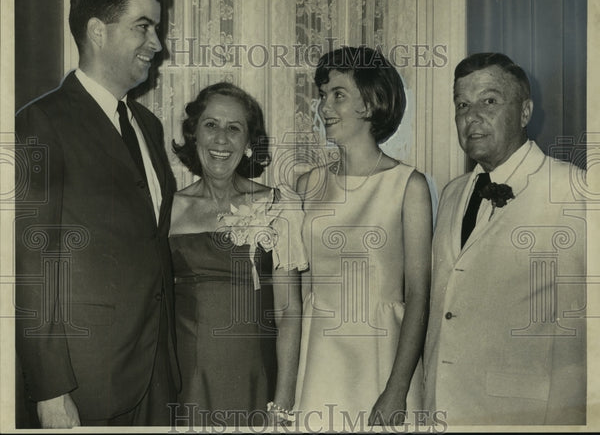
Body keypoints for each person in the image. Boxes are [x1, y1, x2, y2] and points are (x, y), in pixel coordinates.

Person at [15, 0, 179, 427]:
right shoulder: (40, 123)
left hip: (156, 374)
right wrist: (50, 391)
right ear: (97, 31)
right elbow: (33, 266)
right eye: (143, 27)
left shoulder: (148, 125)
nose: (157, 44)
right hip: (86, 382)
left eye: (158, 29)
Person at [423, 52, 586, 425]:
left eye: (489, 101)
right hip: (442, 410)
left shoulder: (574, 190)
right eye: (462, 104)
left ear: (525, 112)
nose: (471, 116)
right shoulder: (452, 193)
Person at [294, 46, 432, 429]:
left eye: (338, 94)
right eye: (323, 95)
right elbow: (302, 288)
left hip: (382, 357)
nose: (324, 107)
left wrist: (397, 388)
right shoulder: (308, 184)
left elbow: (419, 294)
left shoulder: (409, 186)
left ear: (372, 103)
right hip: (319, 356)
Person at [169, 82, 308, 426]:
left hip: (257, 379)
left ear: (248, 144)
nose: (221, 139)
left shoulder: (278, 205)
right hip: (187, 381)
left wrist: (284, 401)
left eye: (234, 128)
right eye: (210, 125)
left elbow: (289, 310)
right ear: (194, 135)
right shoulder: (167, 210)